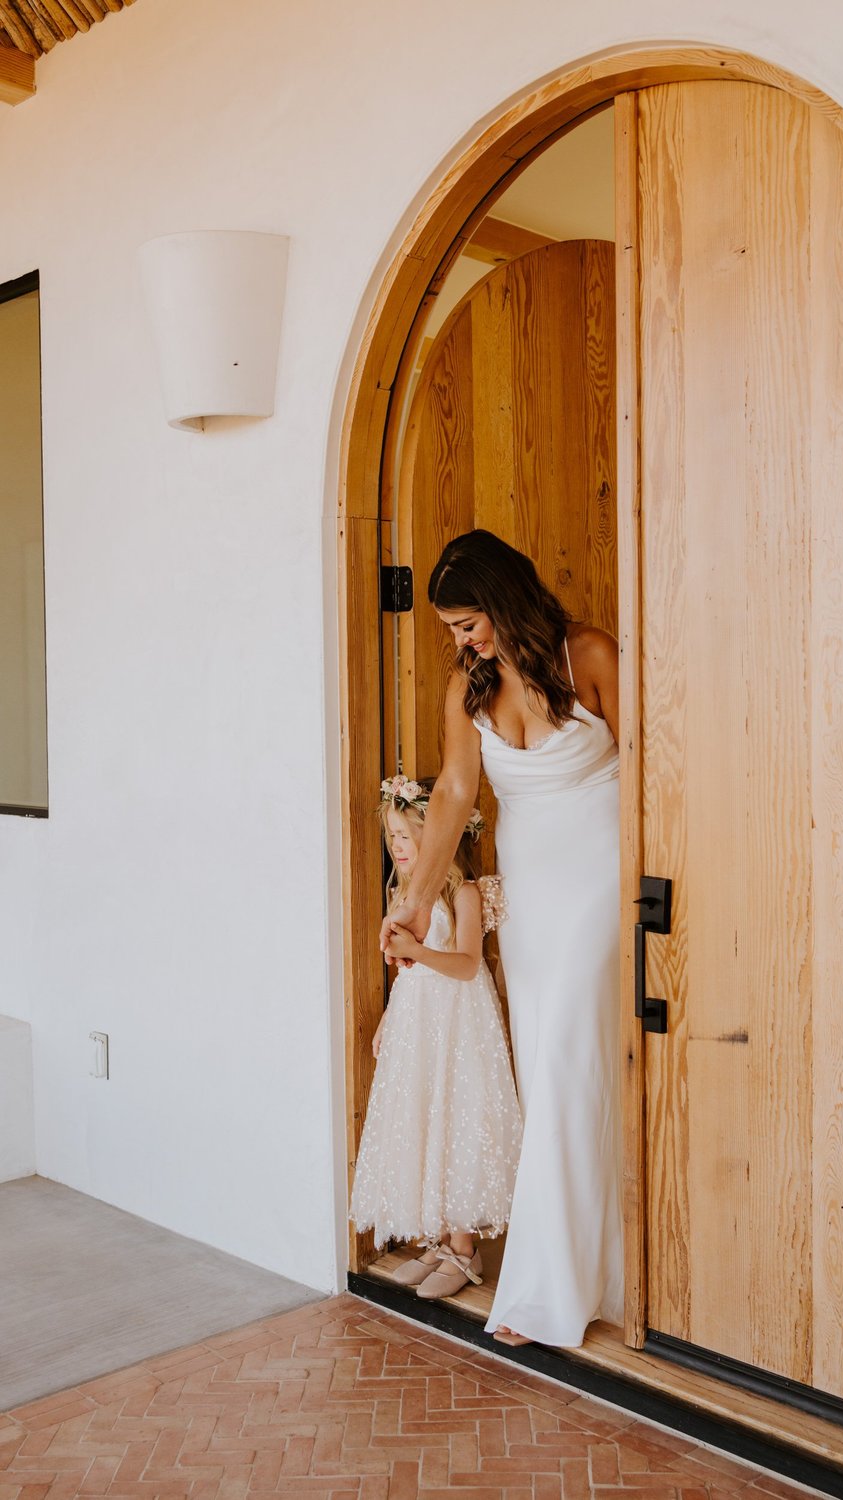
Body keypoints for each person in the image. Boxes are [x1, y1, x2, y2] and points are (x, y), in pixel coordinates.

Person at [379, 529, 622, 1348]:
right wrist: (415, 902)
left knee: (567, 1063)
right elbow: (452, 792)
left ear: (508, 599)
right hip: (528, 896)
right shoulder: (468, 688)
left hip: (599, 881)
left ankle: (561, 1286)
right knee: (549, 1065)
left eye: (469, 622)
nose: (462, 640)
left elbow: (662, 764)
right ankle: (584, 1274)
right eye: (452, 629)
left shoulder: (588, 654)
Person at [351, 774, 522, 1299]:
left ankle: (464, 1247)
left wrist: (418, 949)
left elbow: (468, 964)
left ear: (440, 835)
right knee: (426, 1120)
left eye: (406, 835)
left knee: (459, 1118)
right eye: (392, 838)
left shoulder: (464, 893)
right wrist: (386, 1020)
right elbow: (409, 974)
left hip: (460, 1024)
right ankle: (439, 1239)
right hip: (418, 1023)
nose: (397, 848)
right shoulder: (403, 893)